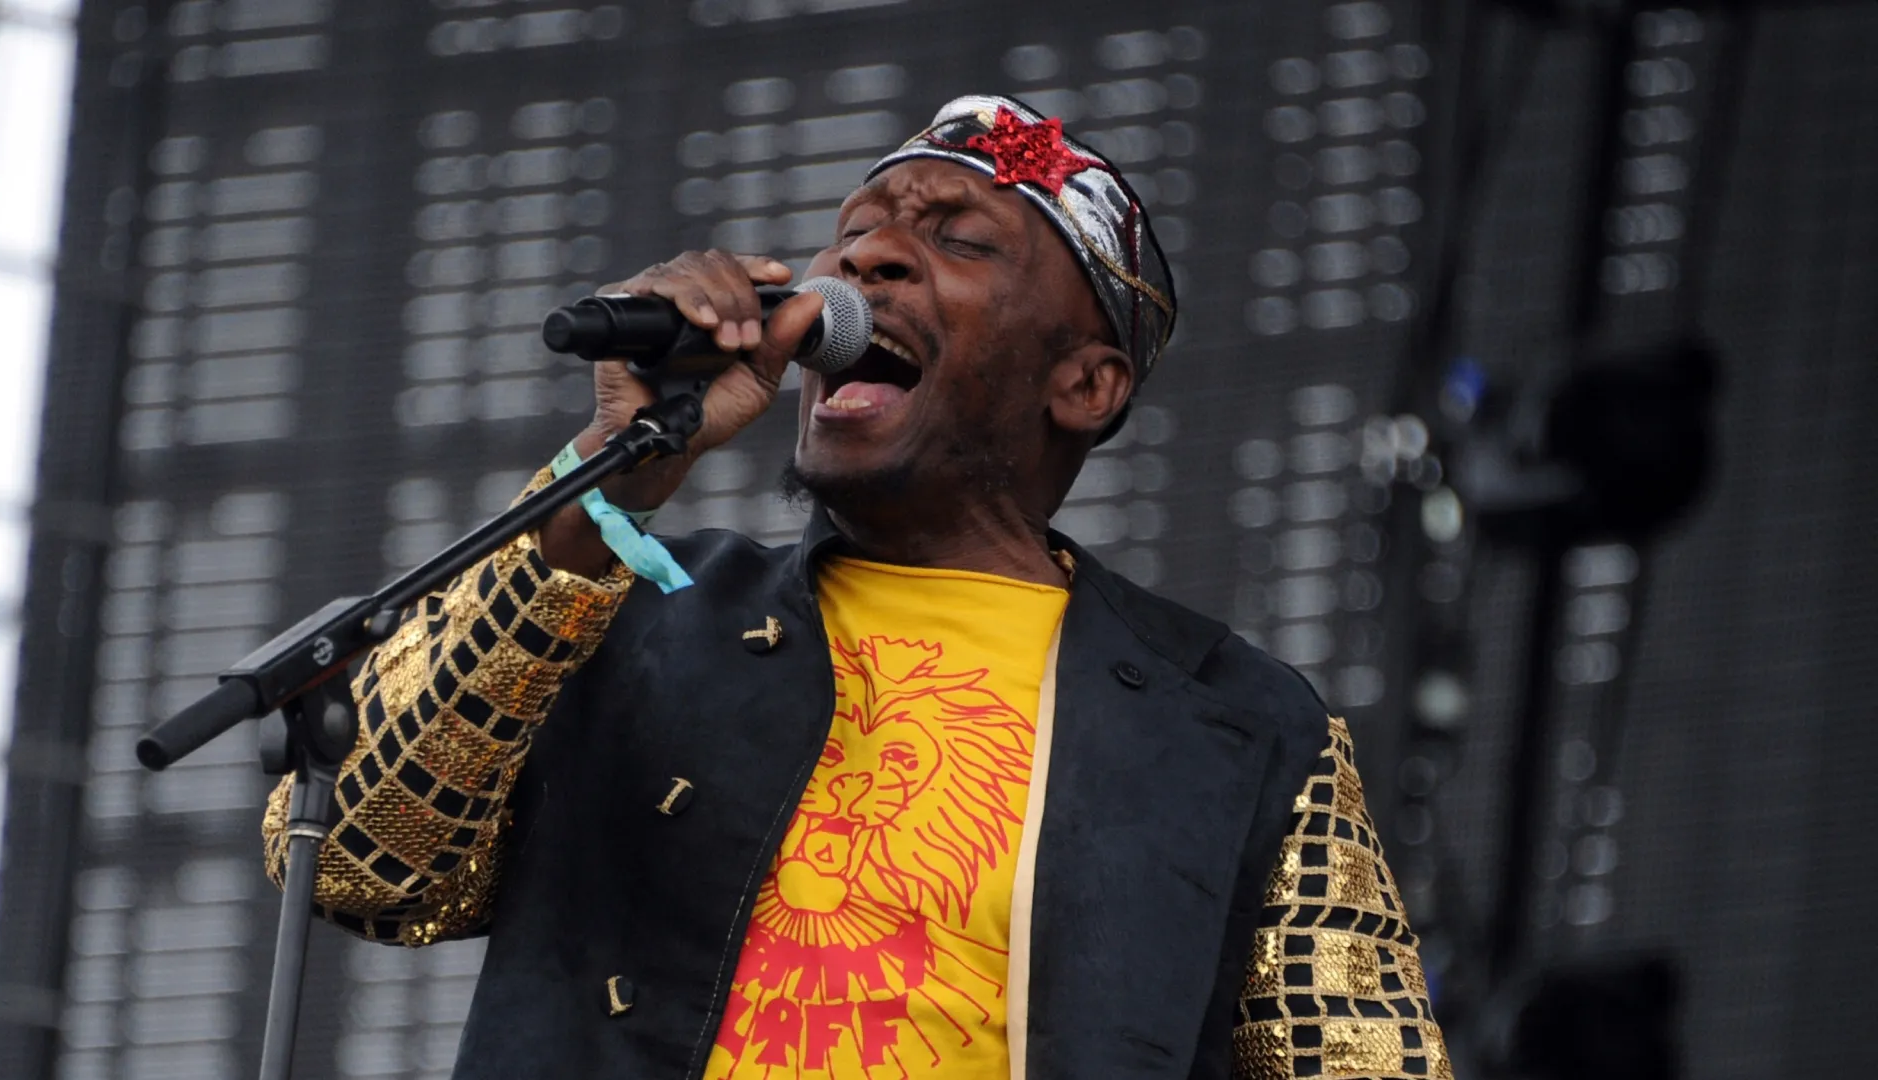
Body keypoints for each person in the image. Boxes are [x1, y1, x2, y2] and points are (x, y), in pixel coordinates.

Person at [263, 94, 1452, 1080]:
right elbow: (373, 857)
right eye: (856, 232)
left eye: (961, 239)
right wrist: (614, 478)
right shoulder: (641, 608)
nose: (864, 256)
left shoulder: (1237, 726)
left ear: (1086, 386)